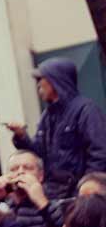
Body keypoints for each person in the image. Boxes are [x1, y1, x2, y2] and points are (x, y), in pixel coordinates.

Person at [8, 57, 106, 201]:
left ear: (57, 81)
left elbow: (100, 154)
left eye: (42, 78)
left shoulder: (86, 110)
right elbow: (39, 153)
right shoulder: (47, 116)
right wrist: (21, 136)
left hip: (78, 194)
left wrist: (86, 188)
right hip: (52, 193)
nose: (38, 84)